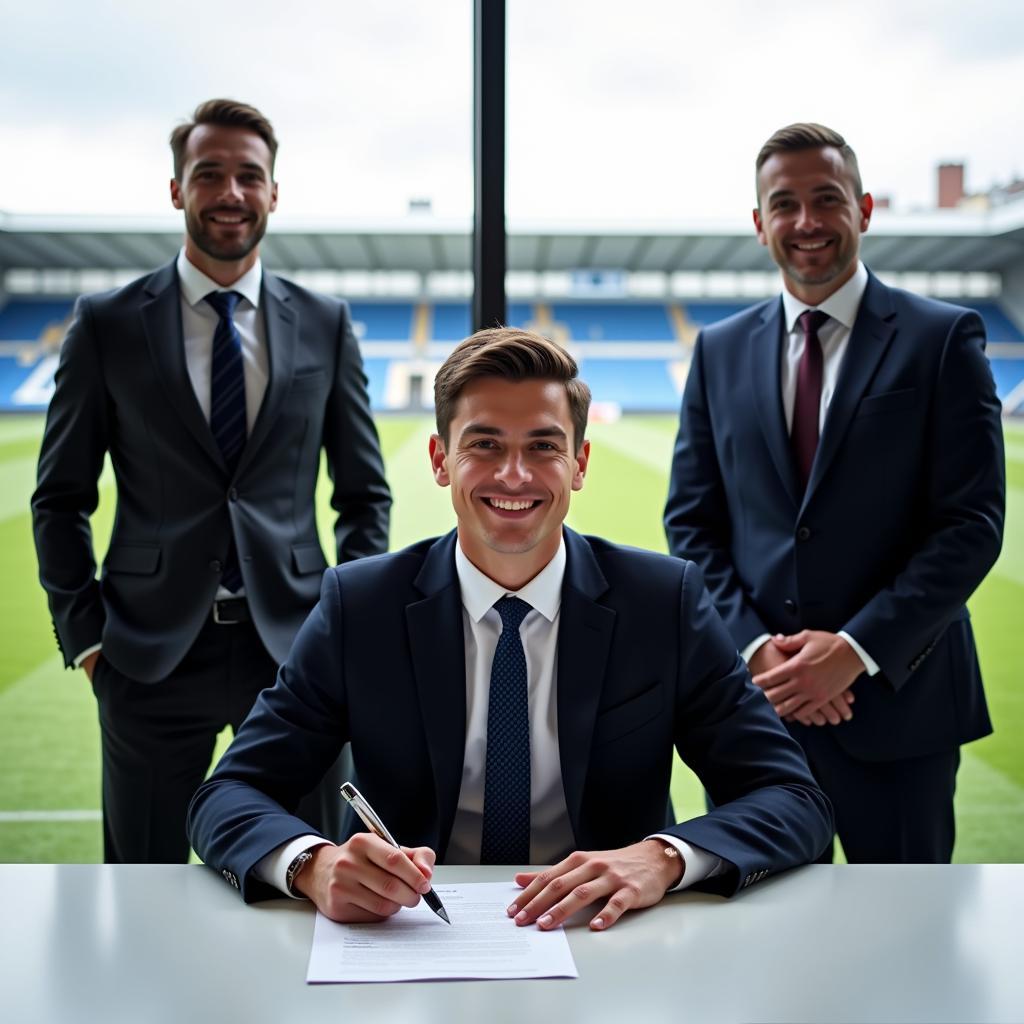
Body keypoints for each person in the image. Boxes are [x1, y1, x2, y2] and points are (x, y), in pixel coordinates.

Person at [188, 327, 832, 932]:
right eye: (485, 444)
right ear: (441, 459)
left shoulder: (663, 601)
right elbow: (227, 794)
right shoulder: (361, 607)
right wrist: (311, 864)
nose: (514, 475)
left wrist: (663, 857)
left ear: (579, 464)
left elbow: (793, 799)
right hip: (416, 939)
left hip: (606, 938)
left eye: (544, 446)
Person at [31, 99, 391, 864]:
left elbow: (363, 495)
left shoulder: (326, 323)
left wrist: (345, 626)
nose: (231, 192)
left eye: (248, 176)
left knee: (316, 880)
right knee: (143, 880)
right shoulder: (107, 324)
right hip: (149, 655)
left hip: (295, 650)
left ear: (273, 192)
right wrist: (88, 638)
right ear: (176, 190)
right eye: (209, 174)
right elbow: (61, 498)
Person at [664, 123, 1005, 863]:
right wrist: (758, 651)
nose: (807, 222)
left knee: (909, 947)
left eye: (827, 199)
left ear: (865, 208)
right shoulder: (718, 351)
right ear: (760, 225)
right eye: (784, 205)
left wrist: (854, 650)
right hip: (760, 715)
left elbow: (972, 524)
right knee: (770, 949)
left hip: (902, 709)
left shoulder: (942, 338)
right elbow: (691, 526)